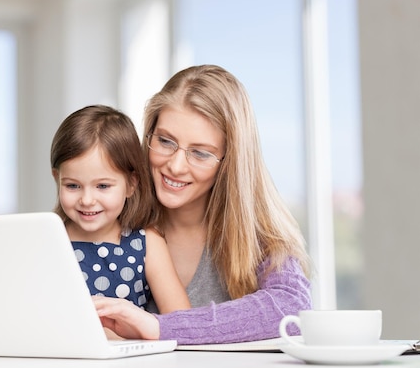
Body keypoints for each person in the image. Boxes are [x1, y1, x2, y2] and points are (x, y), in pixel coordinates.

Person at [93, 65, 312, 344]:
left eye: (200, 153)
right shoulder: (110, 216)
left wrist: (160, 328)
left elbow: (292, 309)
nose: (175, 165)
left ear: (230, 161)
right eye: (165, 141)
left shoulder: (259, 236)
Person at [50, 104, 191, 314]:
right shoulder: (49, 239)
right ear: (57, 179)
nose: (87, 200)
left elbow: (182, 320)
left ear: (131, 184)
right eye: (72, 186)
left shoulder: (146, 243)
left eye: (103, 186)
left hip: (128, 347)